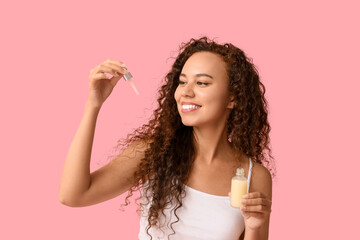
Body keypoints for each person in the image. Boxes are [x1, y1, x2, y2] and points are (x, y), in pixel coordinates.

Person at [58, 36, 275, 240]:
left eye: (201, 83)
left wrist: (255, 227)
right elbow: (73, 195)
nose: (185, 92)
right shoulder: (154, 152)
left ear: (232, 98)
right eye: (182, 82)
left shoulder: (253, 176)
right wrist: (93, 105)